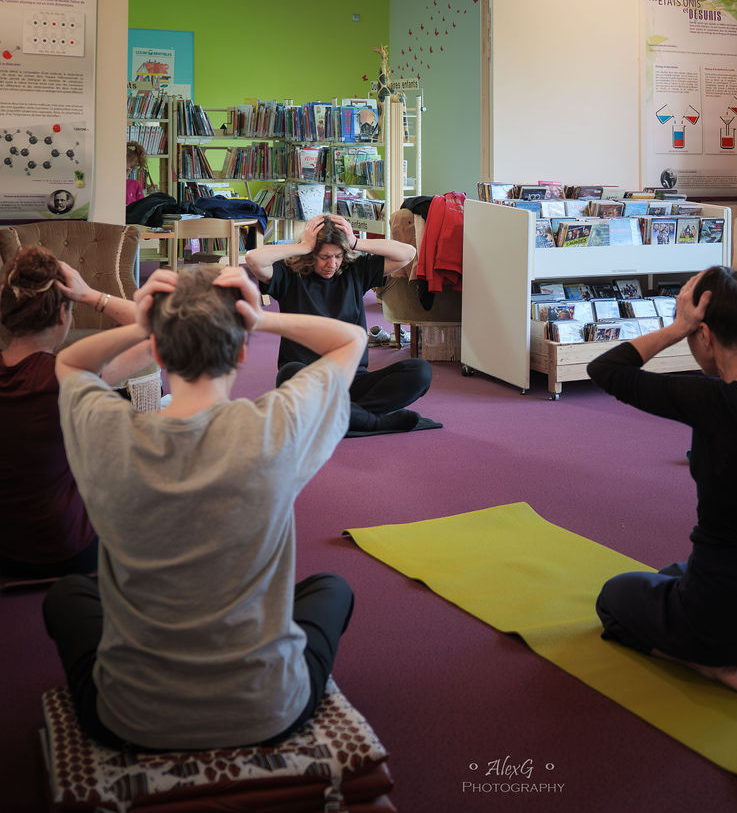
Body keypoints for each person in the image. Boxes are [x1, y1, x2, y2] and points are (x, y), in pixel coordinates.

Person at [43, 265, 365, 751]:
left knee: (67, 596)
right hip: (269, 710)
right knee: (331, 590)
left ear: (155, 351)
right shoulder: (276, 427)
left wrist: (139, 322)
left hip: (129, 717)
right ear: (240, 349)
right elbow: (351, 341)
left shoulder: (109, 430)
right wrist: (261, 317)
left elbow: (68, 365)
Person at [587, 267, 737, 702]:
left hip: (721, 620)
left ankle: (713, 667)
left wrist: (679, 325)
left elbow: (607, 369)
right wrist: (731, 311)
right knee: (671, 573)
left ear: (705, 335)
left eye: (695, 334)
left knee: (615, 596)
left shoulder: (715, 402)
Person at [0, 245, 148, 579]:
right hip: (66, 548)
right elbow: (162, 328)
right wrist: (93, 296)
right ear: (63, 315)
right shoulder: (71, 378)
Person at [245, 213, 430, 434]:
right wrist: (303, 245)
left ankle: (336, 417)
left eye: (338, 256)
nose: (332, 264)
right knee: (290, 374)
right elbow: (254, 259)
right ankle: (370, 422)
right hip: (308, 380)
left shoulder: (355, 271)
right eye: (324, 257)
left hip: (352, 379)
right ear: (311, 254)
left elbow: (407, 254)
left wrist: (355, 242)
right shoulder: (290, 276)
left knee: (419, 371)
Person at [125, 140, 147, 206]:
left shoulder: (135, 185)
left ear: (131, 170)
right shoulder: (110, 183)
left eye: (127, 170)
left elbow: (141, 207)